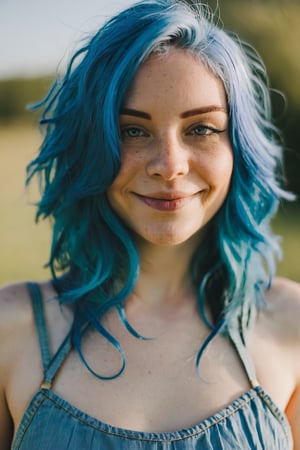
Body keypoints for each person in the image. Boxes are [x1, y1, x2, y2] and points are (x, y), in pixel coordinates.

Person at [0, 0, 299, 448]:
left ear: (239, 146)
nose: (169, 165)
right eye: (132, 131)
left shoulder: (290, 325)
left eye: (201, 129)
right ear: (90, 145)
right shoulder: (13, 329)